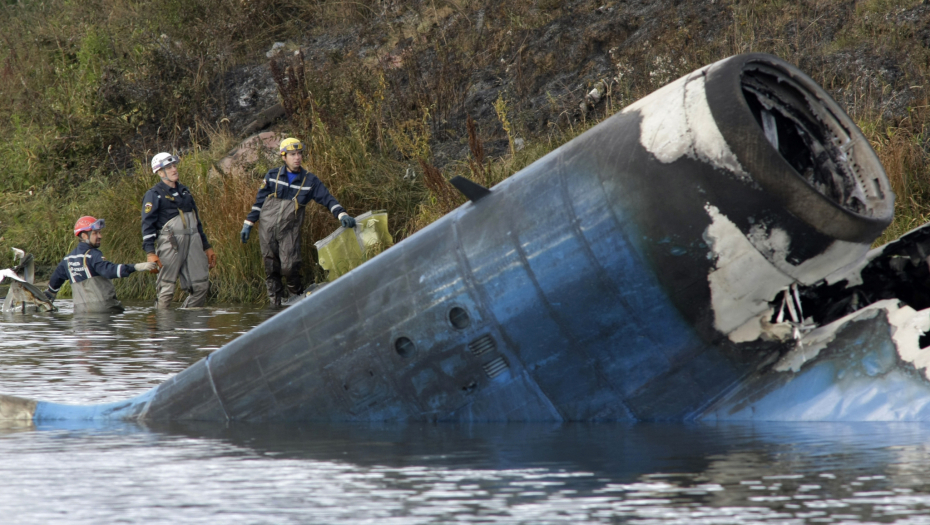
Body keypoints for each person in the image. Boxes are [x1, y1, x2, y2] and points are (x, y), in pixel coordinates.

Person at [240, 137, 355, 306]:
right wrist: (248, 224)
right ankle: (275, 305)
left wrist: (342, 215)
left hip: (289, 231)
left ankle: (298, 301)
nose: (297, 157)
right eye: (292, 154)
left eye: (299, 153)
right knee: (271, 269)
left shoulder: (310, 181)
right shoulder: (272, 176)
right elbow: (259, 203)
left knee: (289, 267)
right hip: (267, 230)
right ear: (283, 157)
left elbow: (328, 199)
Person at [142, 152, 217, 308]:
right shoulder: (153, 194)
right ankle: (162, 327)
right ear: (160, 172)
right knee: (166, 290)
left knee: (201, 286)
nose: (174, 169)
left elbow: (197, 221)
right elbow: (147, 226)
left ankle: (188, 324)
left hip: (194, 242)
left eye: (174, 165)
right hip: (171, 244)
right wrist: (150, 253)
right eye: (169, 167)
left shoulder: (185, 191)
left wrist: (207, 246)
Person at [46, 216, 158, 313]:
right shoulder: (93, 255)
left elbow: (55, 282)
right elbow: (109, 271)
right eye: (95, 233)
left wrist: (49, 295)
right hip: (105, 311)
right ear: (84, 236)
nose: (100, 236)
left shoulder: (67, 259)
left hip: (81, 315)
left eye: (100, 232)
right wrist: (136, 267)